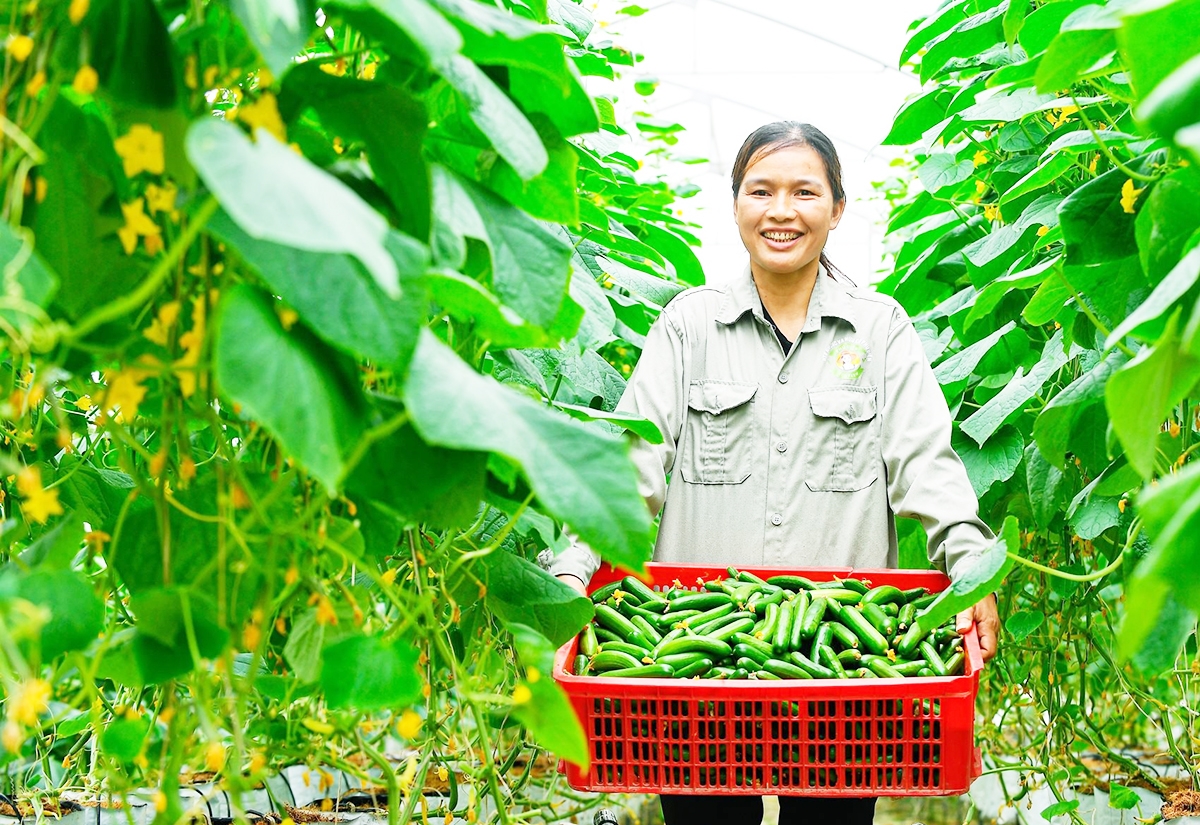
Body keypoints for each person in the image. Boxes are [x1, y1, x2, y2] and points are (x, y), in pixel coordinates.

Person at [552, 121, 1000, 825]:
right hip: (699, 666)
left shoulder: (879, 330)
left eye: (804, 191)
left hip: (843, 669)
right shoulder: (688, 327)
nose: (781, 210)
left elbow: (926, 461)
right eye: (760, 190)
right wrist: (571, 576)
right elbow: (626, 466)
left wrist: (971, 567)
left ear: (837, 209)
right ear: (736, 206)